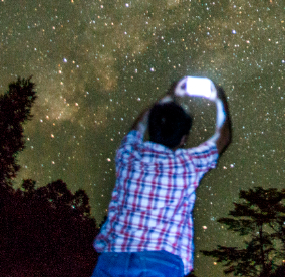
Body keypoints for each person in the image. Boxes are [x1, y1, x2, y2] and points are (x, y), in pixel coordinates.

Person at [91, 78, 232, 277]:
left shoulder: (128, 156)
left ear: (150, 127)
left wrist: (168, 95)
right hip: (159, 264)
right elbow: (223, 137)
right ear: (183, 139)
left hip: (112, 258)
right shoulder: (187, 165)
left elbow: (137, 126)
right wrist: (220, 98)